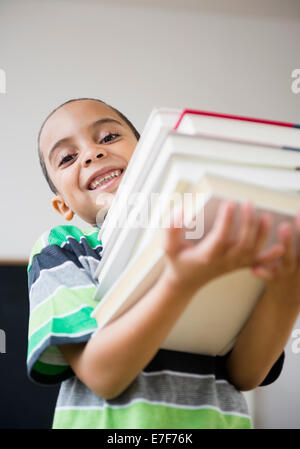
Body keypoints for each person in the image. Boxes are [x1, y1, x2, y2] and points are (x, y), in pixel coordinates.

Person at [26, 98, 300, 429]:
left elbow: (246, 374)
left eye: (109, 137)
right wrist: (179, 282)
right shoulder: (64, 247)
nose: (91, 154)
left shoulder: (215, 235)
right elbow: (103, 375)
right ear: (63, 205)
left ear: (151, 155)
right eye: (67, 158)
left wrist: (289, 283)